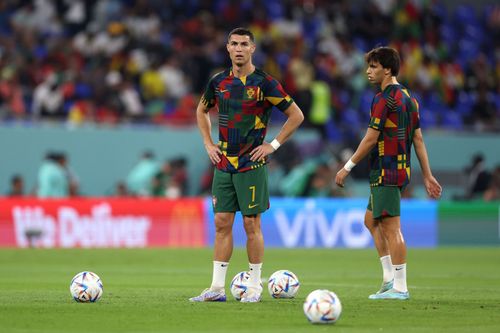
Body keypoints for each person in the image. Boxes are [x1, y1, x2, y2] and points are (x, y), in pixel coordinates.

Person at [190, 27, 304, 303]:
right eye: (234, 44)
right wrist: (208, 143)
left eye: (244, 44)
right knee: (221, 223)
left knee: (251, 224)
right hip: (224, 163)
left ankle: (253, 287)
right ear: (227, 48)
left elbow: (296, 115)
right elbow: (201, 109)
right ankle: (217, 289)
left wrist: (272, 146)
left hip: (251, 164)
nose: (239, 48)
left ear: (253, 49)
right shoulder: (218, 83)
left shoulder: (265, 83)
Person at [335, 47, 442, 300]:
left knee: (391, 227)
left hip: (386, 169)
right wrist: (427, 175)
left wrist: (346, 167)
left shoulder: (383, 99)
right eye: (368, 66)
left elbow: (371, 138)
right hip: (399, 168)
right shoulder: (409, 97)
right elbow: (418, 138)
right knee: (370, 221)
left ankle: (400, 287)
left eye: (373, 66)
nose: (368, 71)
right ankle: (388, 279)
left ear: (388, 69)